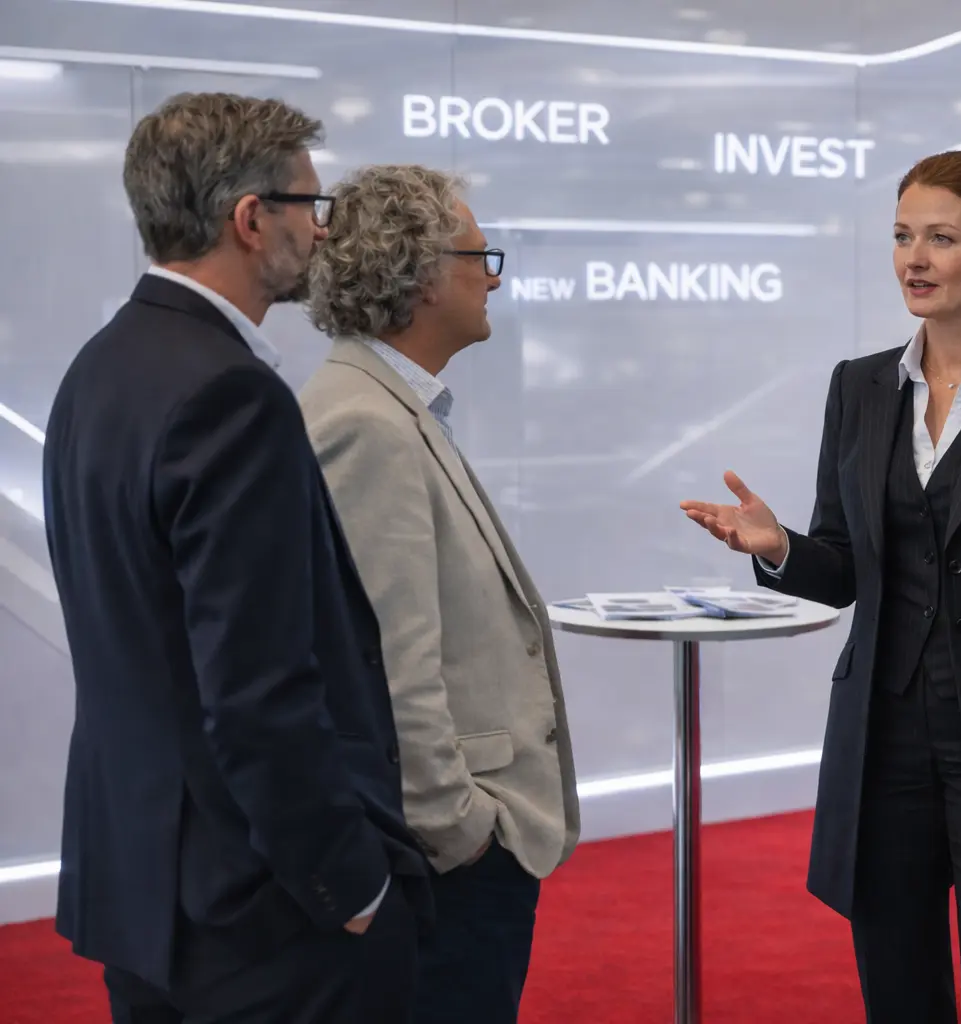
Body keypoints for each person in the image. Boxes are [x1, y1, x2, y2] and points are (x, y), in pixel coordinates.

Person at [681, 150, 961, 1023]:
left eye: (941, 239)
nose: (914, 260)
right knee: (897, 996)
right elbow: (844, 570)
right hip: (882, 737)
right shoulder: (859, 386)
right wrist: (780, 548)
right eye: (901, 237)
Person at [42, 93, 428, 1023]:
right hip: (259, 913)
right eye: (310, 205)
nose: (322, 230)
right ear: (251, 220)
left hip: (141, 891)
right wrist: (351, 886)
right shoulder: (231, 395)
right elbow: (258, 690)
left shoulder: (99, 367)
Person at [298, 164, 580, 1024]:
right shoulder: (365, 423)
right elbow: (391, 663)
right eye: (477, 257)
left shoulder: (390, 406)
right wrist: (461, 830)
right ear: (419, 274)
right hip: (446, 860)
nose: (492, 278)